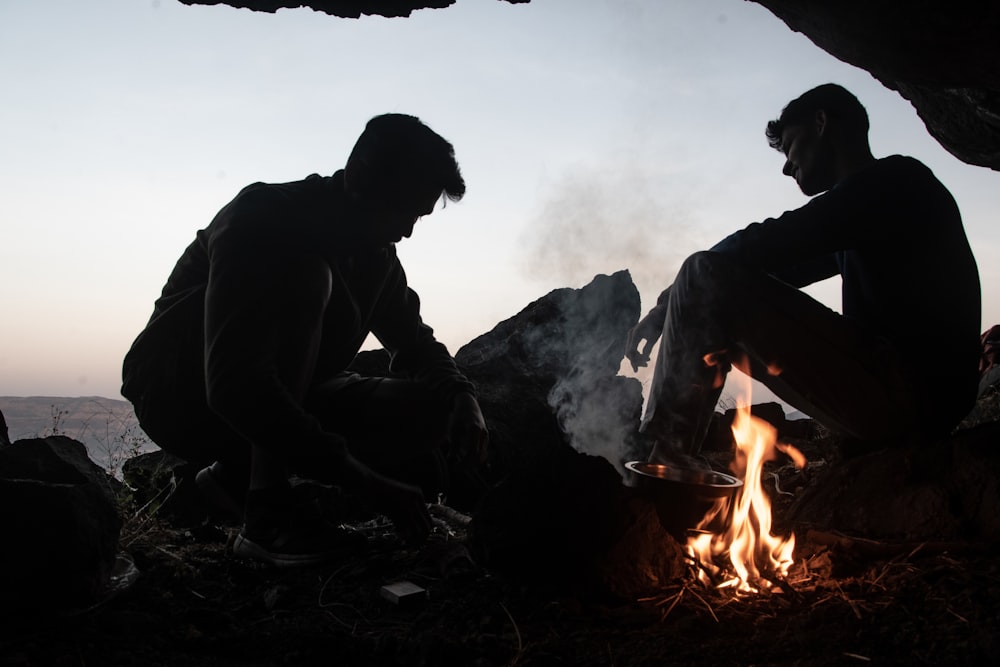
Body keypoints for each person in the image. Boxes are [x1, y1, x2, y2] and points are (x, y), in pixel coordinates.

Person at [122, 113, 489, 567]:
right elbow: (235, 386)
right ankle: (267, 516)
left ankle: (234, 475)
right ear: (361, 184)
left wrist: (462, 396)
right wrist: (366, 482)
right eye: (405, 211)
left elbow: (413, 341)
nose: (409, 230)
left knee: (431, 410)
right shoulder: (264, 218)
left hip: (279, 394)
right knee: (307, 275)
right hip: (177, 392)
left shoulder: (376, 255)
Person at [625, 84, 981, 463]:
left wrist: (669, 304)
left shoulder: (896, 182)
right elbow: (772, 270)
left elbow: (768, 242)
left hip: (907, 395)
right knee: (711, 286)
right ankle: (671, 459)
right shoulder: (863, 218)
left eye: (790, 145)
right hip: (903, 397)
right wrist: (683, 303)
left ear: (822, 122)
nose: (786, 165)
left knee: (702, 273)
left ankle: (659, 459)